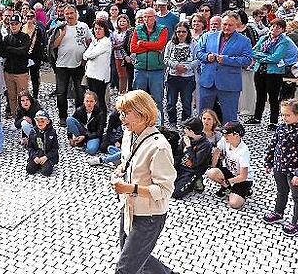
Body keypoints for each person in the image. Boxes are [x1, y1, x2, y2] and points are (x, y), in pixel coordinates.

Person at [111, 90, 176, 274]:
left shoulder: (159, 147)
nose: (121, 119)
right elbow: (127, 162)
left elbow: (164, 190)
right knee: (139, 257)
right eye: (121, 113)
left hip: (149, 216)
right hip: (129, 209)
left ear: (142, 112)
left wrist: (129, 188)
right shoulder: (129, 135)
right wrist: (119, 171)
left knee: (125, 269)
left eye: (126, 113)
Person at [262, 99, 298, 236]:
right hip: (279, 168)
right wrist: (268, 162)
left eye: (287, 115)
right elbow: (273, 145)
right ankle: (278, 212)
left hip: (294, 171)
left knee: (297, 197)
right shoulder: (281, 128)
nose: (284, 118)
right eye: (282, 115)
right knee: (281, 192)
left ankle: (297, 223)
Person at [196, 12, 253, 123]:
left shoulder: (244, 41)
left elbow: (247, 60)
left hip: (229, 85)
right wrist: (207, 57)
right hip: (208, 82)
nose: (227, 27)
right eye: (225, 24)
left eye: (230, 25)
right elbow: (198, 53)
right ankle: (202, 138)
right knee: (203, 117)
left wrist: (226, 60)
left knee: (230, 118)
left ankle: (229, 139)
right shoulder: (208, 36)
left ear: (237, 25)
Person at [247, 19, 290, 129]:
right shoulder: (264, 38)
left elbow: (276, 57)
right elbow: (252, 52)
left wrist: (261, 57)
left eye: (278, 27)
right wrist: (266, 57)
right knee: (260, 95)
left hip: (274, 73)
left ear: (282, 29)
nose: (274, 29)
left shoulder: (284, 41)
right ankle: (257, 117)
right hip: (260, 70)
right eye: (273, 26)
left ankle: (273, 121)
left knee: (273, 97)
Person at [52, 6, 90, 126]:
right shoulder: (60, 27)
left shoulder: (83, 26)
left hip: (79, 64)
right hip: (62, 65)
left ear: (76, 13)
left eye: (71, 13)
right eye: (67, 13)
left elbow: (89, 41)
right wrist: (62, 35)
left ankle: (78, 116)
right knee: (61, 92)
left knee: (80, 91)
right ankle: (63, 116)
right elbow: (53, 45)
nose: (69, 15)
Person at [130, 8, 168, 124]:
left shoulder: (162, 29)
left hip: (156, 69)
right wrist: (152, 46)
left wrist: (142, 43)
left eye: (149, 17)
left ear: (155, 17)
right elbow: (133, 48)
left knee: (157, 99)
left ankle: (159, 124)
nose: (146, 19)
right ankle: (138, 122)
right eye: (144, 17)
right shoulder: (137, 29)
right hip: (140, 68)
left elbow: (160, 46)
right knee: (138, 99)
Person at [206, 121, 254, 209]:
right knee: (211, 172)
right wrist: (214, 166)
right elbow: (217, 150)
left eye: (227, 134)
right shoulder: (225, 140)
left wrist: (228, 181)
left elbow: (243, 176)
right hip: (230, 171)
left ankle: (245, 191)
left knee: (234, 204)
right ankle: (227, 188)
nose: (224, 136)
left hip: (243, 179)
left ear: (237, 136)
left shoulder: (243, 151)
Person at [163, 22, 198, 126]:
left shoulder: (193, 44)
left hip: (187, 78)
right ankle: (172, 122)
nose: (181, 34)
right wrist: (175, 66)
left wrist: (186, 67)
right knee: (171, 102)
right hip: (172, 77)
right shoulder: (171, 44)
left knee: (187, 102)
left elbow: (197, 59)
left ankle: (185, 122)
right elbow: (166, 59)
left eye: (183, 31)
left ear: (188, 32)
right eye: (178, 31)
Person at [172, 117, 213, 200]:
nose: (183, 130)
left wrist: (189, 147)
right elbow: (178, 155)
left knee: (176, 193)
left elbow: (195, 163)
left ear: (191, 131)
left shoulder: (205, 145)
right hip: (180, 168)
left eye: (185, 129)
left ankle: (195, 182)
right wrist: (172, 167)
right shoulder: (185, 138)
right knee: (164, 185)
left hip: (192, 171)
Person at [2, 14, 31, 117]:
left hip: (21, 72)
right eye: (12, 24)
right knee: (11, 96)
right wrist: (14, 50)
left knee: (23, 96)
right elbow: (4, 52)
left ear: (20, 25)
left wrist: (10, 49)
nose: (13, 26)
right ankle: (15, 116)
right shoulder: (6, 38)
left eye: (16, 24)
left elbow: (23, 51)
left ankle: (24, 116)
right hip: (9, 71)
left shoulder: (25, 37)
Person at [83, 21, 112, 112]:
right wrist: (88, 54)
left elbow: (90, 55)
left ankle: (102, 122)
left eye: (100, 29)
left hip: (100, 76)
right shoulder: (95, 41)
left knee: (99, 99)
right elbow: (85, 55)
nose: (97, 31)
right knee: (92, 99)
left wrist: (88, 55)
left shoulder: (105, 42)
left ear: (105, 30)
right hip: (91, 74)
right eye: (95, 28)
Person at [66, 91, 106, 155]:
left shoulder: (100, 113)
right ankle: (79, 141)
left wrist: (85, 137)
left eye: (91, 101)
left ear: (95, 102)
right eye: (87, 101)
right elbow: (71, 125)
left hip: (92, 135)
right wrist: (71, 136)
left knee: (91, 150)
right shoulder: (79, 110)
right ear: (84, 101)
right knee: (69, 119)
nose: (89, 103)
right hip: (81, 131)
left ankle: (83, 143)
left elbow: (99, 132)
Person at [26, 110, 59, 177]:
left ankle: (45, 164)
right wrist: (34, 157)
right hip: (37, 154)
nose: (40, 123)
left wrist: (46, 157)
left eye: (42, 121)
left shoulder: (52, 132)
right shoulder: (33, 132)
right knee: (29, 170)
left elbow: (55, 149)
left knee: (46, 172)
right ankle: (39, 164)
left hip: (47, 155)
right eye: (37, 121)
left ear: (47, 122)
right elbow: (30, 147)